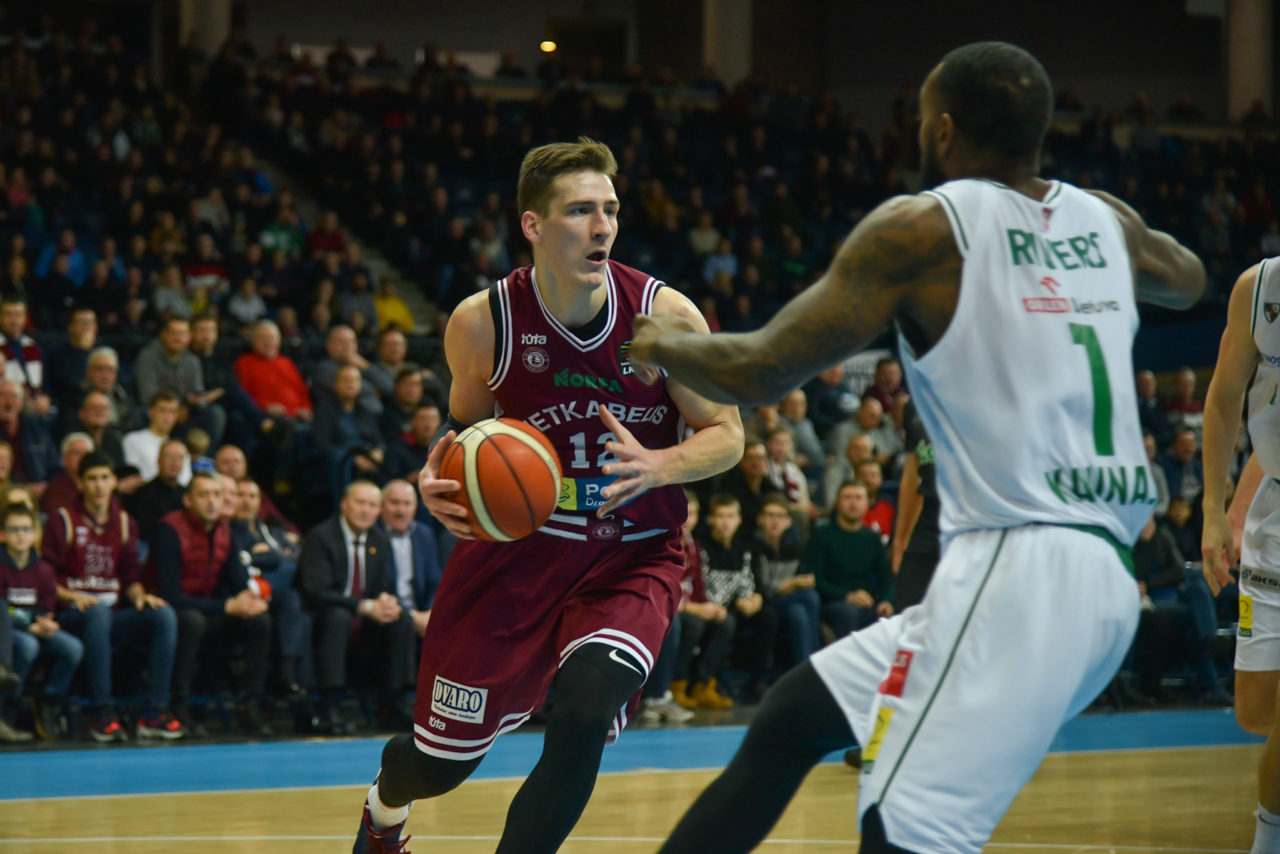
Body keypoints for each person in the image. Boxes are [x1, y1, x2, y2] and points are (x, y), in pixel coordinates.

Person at [633, 41, 1204, 854]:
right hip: (1099, 575)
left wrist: (662, 344)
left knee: (901, 832)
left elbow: (760, 369)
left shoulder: (924, 229)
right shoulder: (1105, 220)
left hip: (1019, 569)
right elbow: (1187, 277)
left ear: (942, 130)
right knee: (793, 721)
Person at [352, 138, 743, 853]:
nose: (602, 227)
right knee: (439, 765)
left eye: (610, 210)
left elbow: (728, 435)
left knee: (583, 716)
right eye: (581, 211)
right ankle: (384, 807)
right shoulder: (483, 322)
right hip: (517, 552)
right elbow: (465, 432)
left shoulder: (665, 317)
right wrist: (437, 480)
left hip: (632, 553)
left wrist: (659, 464)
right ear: (532, 224)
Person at [1201, 251, 1280, 851]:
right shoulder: (1259, 288)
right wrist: (1216, 509)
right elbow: (1225, 398)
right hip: (1273, 515)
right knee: (1256, 710)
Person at [45, 451, 184, 742]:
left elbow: (130, 577)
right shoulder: (63, 520)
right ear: (81, 483)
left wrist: (141, 597)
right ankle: (102, 712)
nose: (99, 485)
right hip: (72, 614)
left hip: (112, 613)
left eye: (105, 478)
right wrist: (72, 596)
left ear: (113, 482)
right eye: (92, 478)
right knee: (97, 613)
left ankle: (155, 711)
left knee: (163, 615)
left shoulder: (124, 522)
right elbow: (44, 578)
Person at [148, 471, 273, 737]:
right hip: (167, 611)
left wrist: (250, 601)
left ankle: (249, 704)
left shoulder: (225, 530)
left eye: (217, 494)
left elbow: (239, 581)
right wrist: (226, 607)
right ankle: (179, 705)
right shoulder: (169, 529)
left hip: (209, 611)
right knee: (191, 620)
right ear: (188, 500)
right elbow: (171, 595)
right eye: (203, 495)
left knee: (259, 622)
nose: (212, 501)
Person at [299, 480, 414, 735]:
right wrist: (363, 606)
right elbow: (316, 592)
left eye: (372, 505)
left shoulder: (380, 540)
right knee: (338, 616)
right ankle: (330, 706)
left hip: (364, 622)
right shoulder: (321, 537)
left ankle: (394, 704)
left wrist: (386, 602)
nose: (365, 510)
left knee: (401, 619)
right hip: (323, 618)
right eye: (360, 503)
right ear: (344, 504)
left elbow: (381, 586)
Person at [2, 502, 82, 740]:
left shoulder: (44, 569)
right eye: (14, 529)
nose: (20, 535)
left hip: (35, 627)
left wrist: (46, 623)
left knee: (72, 648)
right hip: (9, 631)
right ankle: (8, 708)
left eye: (26, 529)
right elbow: (2, 610)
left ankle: (48, 700)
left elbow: (46, 606)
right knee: (28, 645)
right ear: (2, 534)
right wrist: (29, 626)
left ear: (35, 533)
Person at [891, 399, 941, 611]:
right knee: (907, 606)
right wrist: (900, 540)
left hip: (971, 517)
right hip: (930, 513)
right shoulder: (916, 404)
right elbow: (911, 476)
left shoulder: (981, 398)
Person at [378, 479, 442, 639]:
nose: (401, 510)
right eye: (395, 503)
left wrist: (430, 613)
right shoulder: (373, 535)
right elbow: (377, 587)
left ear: (415, 507)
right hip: (388, 614)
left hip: (423, 613)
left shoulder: (425, 534)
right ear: (381, 505)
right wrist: (411, 616)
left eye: (407, 504)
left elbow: (435, 580)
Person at [123, 391, 192, 486]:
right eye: (163, 410)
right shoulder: (133, 440)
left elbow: (186, 480)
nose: (167, 417)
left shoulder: (179, 448)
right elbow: (132, 476)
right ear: (150, 412)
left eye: (172, 412)